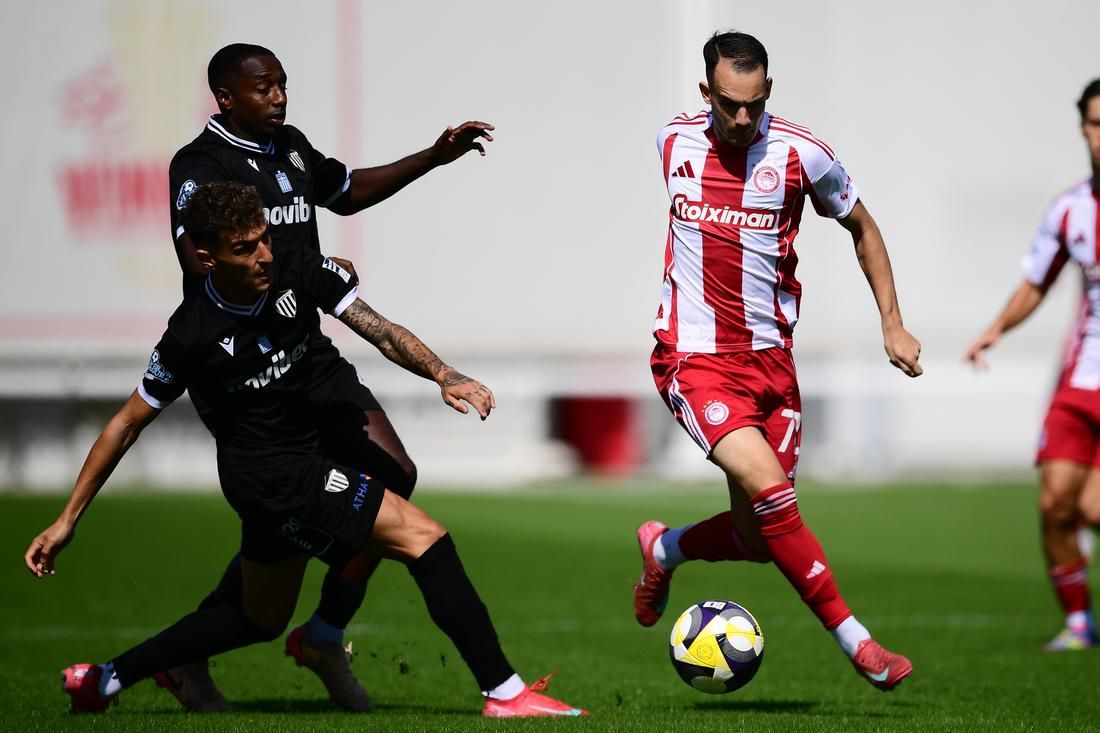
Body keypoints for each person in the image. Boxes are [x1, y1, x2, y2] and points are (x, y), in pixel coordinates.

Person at [25, 182, 587, 719]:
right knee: (426, 539)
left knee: (258, 618)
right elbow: (125, 424)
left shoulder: (294, 267)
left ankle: (103, 680)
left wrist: (444, 374)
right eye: (245, 248)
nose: (264, 255)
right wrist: (67, 519)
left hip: (285, 471)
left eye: (264, 237)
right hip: (274, 478)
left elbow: (381, 330)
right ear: (207, 258)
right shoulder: (191, 335)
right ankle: (505, 692)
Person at [163, 43, 496, 711]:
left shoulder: (289, 147)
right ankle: (191, 652)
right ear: (225, 96)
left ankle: (322, 632)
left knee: (393, 475)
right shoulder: (199, 166)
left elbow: (345, 192)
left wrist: (433, 157)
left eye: (282, 84)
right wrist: (297, 268)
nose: (279, 97)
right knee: (283, 520)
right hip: (243, 365)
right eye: (263, 87)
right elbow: (199, 261)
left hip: (308, 352)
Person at [633, 31, 921, 691]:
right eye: (729, 104)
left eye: (754, 104)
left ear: (768, 93)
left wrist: (892, 322)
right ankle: (860, 644)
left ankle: (664, 547)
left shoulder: (802, 153)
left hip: (772, 366)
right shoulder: (673, 141)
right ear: (705, 92)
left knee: (759, 538)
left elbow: (863, 226)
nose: (742, 118)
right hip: (695, 360)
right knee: (774, 494)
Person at [965, 80, 1100, 651]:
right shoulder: (1070, 209)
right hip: (1080, 381)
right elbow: (1036, 282)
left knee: (1092, 507)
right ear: (1083, 129)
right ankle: (1079, 625)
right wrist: (996, 327)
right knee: (1055, 504)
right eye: (1096, 123)